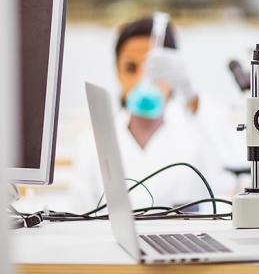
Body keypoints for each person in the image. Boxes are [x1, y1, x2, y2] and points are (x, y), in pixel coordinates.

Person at [72, 17, 237, 212]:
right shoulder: (91, 143)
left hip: (184, 241)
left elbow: (230, 174)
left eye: (155, 70)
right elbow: (79, 218)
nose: (144, 80)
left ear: (173, 71)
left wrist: (188, 91)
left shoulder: (200, 131)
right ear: (117, 72)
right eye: (131, 68)